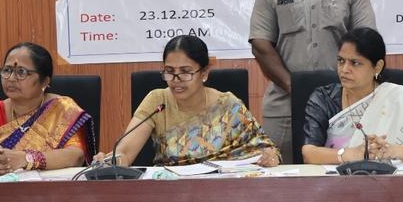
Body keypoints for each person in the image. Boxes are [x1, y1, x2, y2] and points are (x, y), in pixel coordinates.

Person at [249, 0, 377, 162]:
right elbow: (261, 45)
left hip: (343, 105)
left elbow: (366, 42)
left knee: (344, 178)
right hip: (284, 106)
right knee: (279, 177)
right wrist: (294, 87)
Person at [101, 35, 279, 167]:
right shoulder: (158, 100)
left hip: (222, 192)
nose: (176, 79)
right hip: (170, 194)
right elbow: (125, 152)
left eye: (185, 71)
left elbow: (267, 149)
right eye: (169, 71)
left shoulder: (227, 104)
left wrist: (269, 156)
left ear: (204, 73)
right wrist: (108, 161)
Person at [0, 42, 94, 175]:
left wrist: (25, 159)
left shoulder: (63, 109)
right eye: (7, 70)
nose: (11, 79)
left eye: (21, 72)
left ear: (44, 81)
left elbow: (76, 155)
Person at [301, 27, 403, 164]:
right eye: (341, 61)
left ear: (377, 67)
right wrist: (349, 154)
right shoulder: (323, 98)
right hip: (334, 183)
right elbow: (308, 153)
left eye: (355, 63)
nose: (344, 69)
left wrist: (393, 151)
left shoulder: (396, 97)